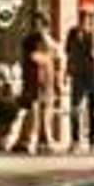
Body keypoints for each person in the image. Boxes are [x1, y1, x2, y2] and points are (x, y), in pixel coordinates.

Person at [64, 7, 94, 153]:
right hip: (77, 74)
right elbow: (68, 53)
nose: (84, 20)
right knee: (75, 108)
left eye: (87, 17)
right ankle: (75, 140)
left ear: (93, 18)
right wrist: (66, 72)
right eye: (81, 17)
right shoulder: (73, 32)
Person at [16, 11, 59, 154]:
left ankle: (46, 140)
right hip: (32, 79)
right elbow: (33, 57)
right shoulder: (29, 40)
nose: (38, 26)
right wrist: (46, 56)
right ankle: (31, 141)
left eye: (41, 23)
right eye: (36, 23)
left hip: (46, 79)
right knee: (33, 111)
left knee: (46, 110)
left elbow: (57, 54)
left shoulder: (49, 40)